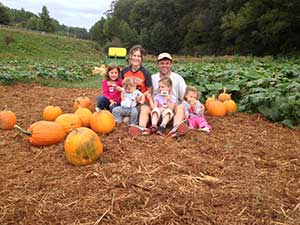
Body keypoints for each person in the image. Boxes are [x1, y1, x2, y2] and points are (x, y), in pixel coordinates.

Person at [129, 52, 188, 137]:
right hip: (155, 113)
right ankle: (142, 128)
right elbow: (148, 92)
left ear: (171, 64)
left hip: (171, 113)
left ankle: (176, 128)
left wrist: (193, 107)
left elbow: (185, 96)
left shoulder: (178, 78)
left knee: (180, 107)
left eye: (167, 63)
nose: (164, 65)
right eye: (162, 63)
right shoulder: (153, 78)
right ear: (158, 64)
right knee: (144, 107)